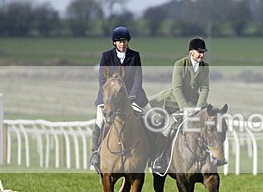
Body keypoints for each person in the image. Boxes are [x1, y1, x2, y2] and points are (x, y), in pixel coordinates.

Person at [89, 26, 151, 172]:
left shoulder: (135, 56)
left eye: (124, 41)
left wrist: (132, 96)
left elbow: (138, 79)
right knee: (99, 122)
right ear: (114, 43)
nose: (122, 44)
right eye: (119, 41)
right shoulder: (106, 56)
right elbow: (102, 79)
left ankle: (153, 155)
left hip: (134, 96)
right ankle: (95, 153)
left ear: (128, 42)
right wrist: (109, 94)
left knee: (152, 118)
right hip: (109, 97)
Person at [148, 36, 211, 172]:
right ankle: (159, 158)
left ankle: (213, 158)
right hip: (175, 103)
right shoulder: (180, 65)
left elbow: (205, 88)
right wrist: (186, 109)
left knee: (210, 126)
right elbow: (177, 89)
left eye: (203, 52)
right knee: (167, 128)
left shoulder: (205, 67)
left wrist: (199, 107)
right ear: (191, 52)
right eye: (199, 52)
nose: (202, 55)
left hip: (196, 104)